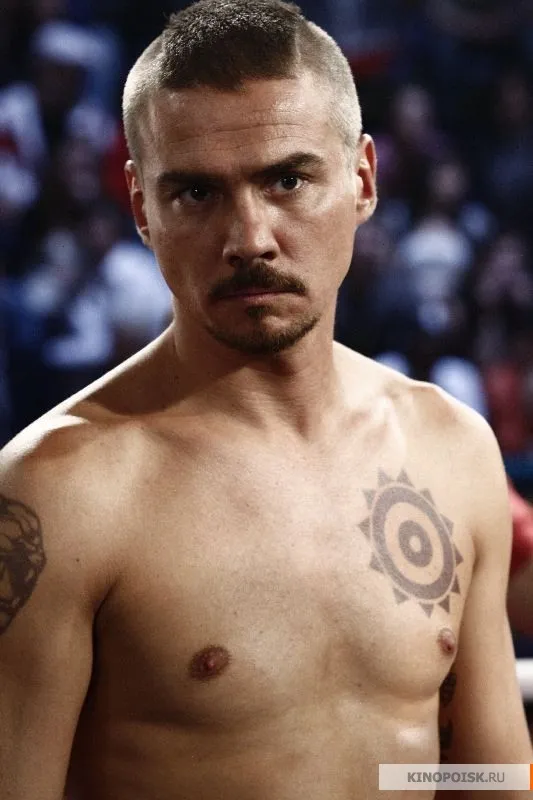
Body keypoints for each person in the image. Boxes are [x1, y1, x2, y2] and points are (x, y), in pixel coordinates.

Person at [0, 2, 530, 798]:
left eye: (287, 180)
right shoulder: (60, 492)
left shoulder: (449, 447)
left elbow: (487, 779)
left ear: (361, 179)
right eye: (196, 194)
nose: (248, 238)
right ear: (142, 207)